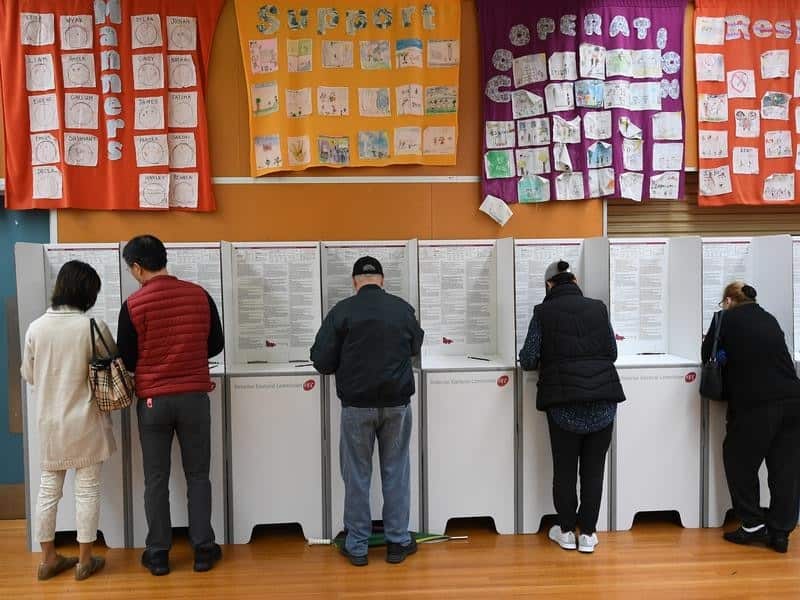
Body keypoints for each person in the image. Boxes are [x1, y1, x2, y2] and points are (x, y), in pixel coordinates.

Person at [117, 235, 224, 575]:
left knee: (156, 478)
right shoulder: (200, 295)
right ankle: (204, 550)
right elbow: (215, 345)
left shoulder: (133, 305)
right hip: (194, 397)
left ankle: (159, 554)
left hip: (153, 402)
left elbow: (128, 358)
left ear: (136, 267)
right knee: (198, 476)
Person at [311, 257, 424, 566]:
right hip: (397, 405)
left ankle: (358, 546)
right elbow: (416, 346)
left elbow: (321, 361)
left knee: (357, 476)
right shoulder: (402, 309)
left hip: (356, 408)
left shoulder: (342, 312)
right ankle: (398, 542)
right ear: (382, 280)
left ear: (354, 281)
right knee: (396, 472)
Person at [519, 260, 625, 554]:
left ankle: (566, 531)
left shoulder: (543, 312)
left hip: (563, 404)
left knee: (564, 470)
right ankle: (588, 534)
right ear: (575, 280)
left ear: (549, 285)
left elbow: (528, 357)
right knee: (594, 470)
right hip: (603, 401)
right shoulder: (598, 307)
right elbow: (612, 352)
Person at [21, 261, 115, 581]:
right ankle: (85, 561)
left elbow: (30, 375)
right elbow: (113, 367)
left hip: (50, 423)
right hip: (87, 421)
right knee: (87, 490)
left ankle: (48, 559)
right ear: (87, 292)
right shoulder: (93, 327)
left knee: (48, 490)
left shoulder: (35, 328)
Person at [702, 282, 800, 553]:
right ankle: (781, 533)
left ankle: (752, 524)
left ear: (730, 300)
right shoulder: (769, 318)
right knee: (785, 470)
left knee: (738, 460)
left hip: (755, 404)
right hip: (793, 400)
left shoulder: (725, 319)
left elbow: (706, 354)